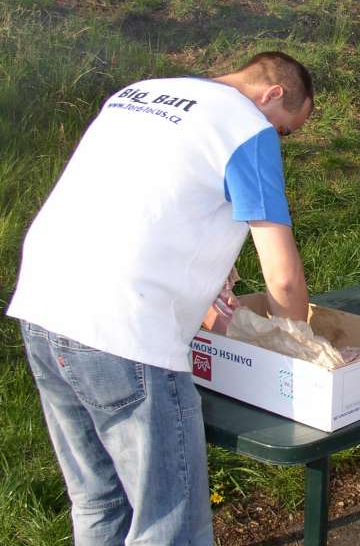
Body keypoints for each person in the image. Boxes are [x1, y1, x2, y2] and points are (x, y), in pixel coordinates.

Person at [6, 51, 314, 545]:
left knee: (99, 500)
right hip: (125, 332)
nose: (278, 139)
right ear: (272, 94)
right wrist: (297, 350)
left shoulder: (139, 92)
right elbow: (283, 280)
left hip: (43, 307)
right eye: (284, 129)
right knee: (169, 523)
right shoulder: (245, 125)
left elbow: (146, 203)